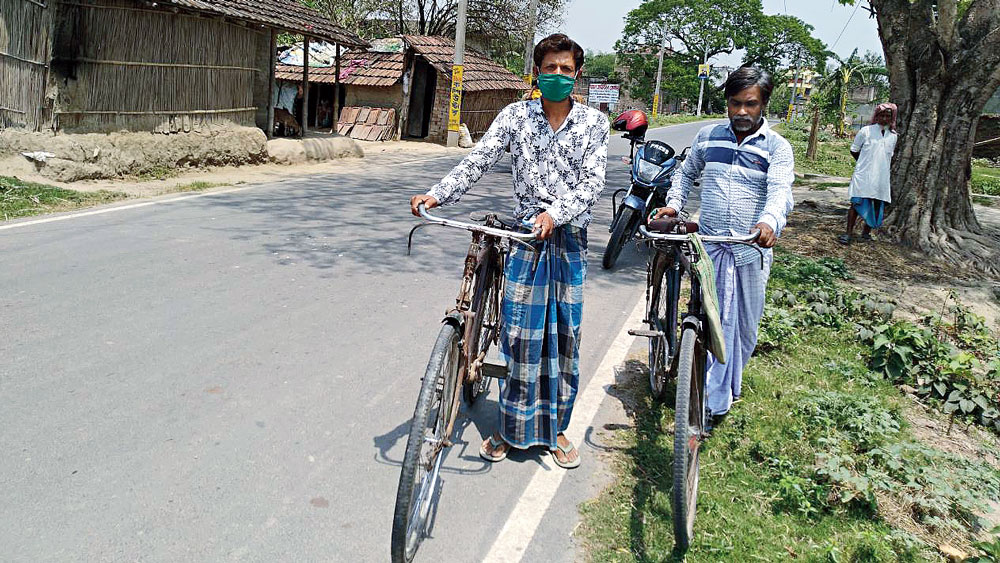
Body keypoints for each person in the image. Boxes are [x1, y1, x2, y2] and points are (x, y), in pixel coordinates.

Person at [409, 34, 609, 469]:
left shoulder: (594, 124)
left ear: (577, 75)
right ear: (536, 72)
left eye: (565, 69)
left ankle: (555, 430)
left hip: (568, 242)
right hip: (522, 240)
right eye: (550, 68)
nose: (557, 76)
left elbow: (592, 182)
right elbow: (478, 159)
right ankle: (511, 429)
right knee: (520, 340)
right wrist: (437, 195)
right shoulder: (515, 117)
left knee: (563, 340)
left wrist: (556, 214)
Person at [650, 66, 794, 427]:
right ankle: (709, 401)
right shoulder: (709, 136)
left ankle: (729, 385)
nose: (742, 112)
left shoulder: (777, 147)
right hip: (710, 247)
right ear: (726, 103)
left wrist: (769, 222)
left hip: (750, 249)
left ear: (763, 105)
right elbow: (685, 173)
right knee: (713, 322)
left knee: (744, 328)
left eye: (750, 104)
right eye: (735, 104)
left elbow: (780, 192)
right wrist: (675, 203)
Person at [838, 103, 897, 244]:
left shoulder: (893, 136)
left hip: (881, 176)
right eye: (881, 115)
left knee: (876, 205)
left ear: (892, 118)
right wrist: (864, 164)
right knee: (856, 203)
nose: (884, 118)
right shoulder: (866, 131)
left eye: (887, 116)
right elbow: (854, 150)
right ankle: (848, 234)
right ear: (876, 116)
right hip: (863, 175)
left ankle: (866, 233)